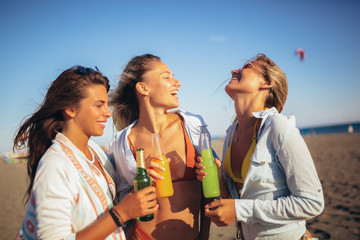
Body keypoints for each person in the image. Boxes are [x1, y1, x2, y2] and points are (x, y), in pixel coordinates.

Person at [14, 66, 158, 240]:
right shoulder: (55, 164)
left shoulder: (95, 151)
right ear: (70, 109)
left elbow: (120, 189)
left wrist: (143, 167)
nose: (108, 113)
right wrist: (121, 214)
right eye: (99, 105)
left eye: (106, 104)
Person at [196, 54, 324, 240]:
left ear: (266, 82)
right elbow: (237, 198)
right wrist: (221, 180)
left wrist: (239, 210)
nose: (234, 70)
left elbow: (312, 202)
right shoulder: (232, 132)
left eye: (246, 66)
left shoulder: (278, 126)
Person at [109, 54, 218, 240]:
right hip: (142, 235)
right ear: (143, 88)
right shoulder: (123, 141)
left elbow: (210, 188)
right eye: (166, 77)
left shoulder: (192, 125)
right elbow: (124, 201)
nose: (178, 82)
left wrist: (204, 235)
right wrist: (141, 181)